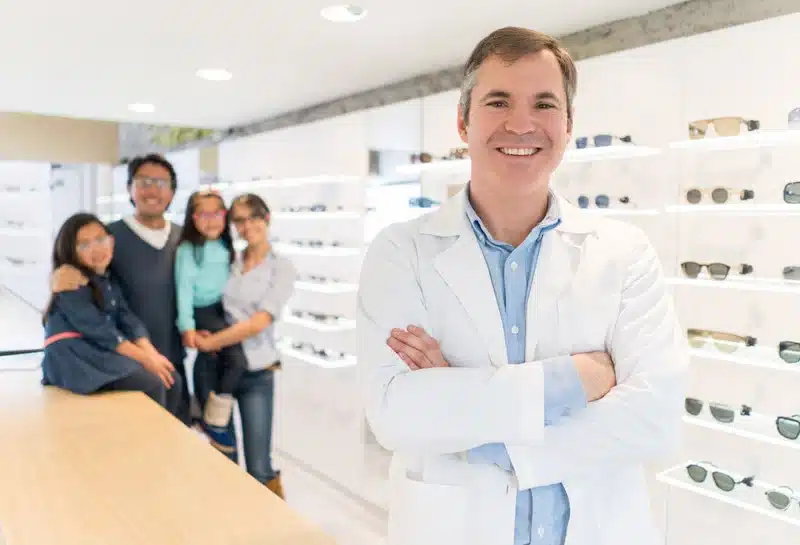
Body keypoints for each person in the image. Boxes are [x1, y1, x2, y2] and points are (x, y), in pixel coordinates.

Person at [356, 27, 688, 545]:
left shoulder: (625, 252)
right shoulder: (401, 252)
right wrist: (572, 381)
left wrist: (469, 418)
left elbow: (655, 418)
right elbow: (396, 414)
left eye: (544, 104)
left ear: (568, 124)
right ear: (463, 121)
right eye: (498, 101)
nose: (521, 123)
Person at [50, 154, 191, 424]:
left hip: (165, 350)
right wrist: (58, 278)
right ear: (129, 188)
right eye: (144, 181)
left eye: (161, 183)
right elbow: (77, 270)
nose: (152, 190)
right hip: (119, 354)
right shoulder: (111, 234)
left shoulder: (184, 238)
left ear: (173, 191)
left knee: (176, 408)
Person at [192, 193, 296, 498]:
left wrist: (211, 341)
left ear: (267, 219)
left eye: (254, 217)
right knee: (223, 459)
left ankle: (271, 522)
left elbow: (258, 323)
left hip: (256, 374)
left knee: (259, 468)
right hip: (218, 369)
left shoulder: (281, 268)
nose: (247, 225)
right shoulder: (228, 261)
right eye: (239, 220)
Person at [41, 213, 176, 405]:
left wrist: (152, 354)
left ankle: (172, 424)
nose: (96, 248)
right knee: (151, 381)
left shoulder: (107, 280)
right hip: (75, 356)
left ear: (111, 241)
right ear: (70, 252)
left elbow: (128, 319)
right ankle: (151, 426)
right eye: (84, 245)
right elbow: (100, 331)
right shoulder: (70, 282)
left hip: (98, 349)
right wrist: (146, 359)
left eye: (100, 239)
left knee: (172, 379)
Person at [175, 189, 246, 454]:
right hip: (202, 311)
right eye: (203, 214)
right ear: (192, 218)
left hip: (221, 310)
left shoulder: (226, 246)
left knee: (213, 359)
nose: (211, 220)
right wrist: (187, 327)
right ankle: (214, 420)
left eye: (216, 213)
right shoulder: (189, 250)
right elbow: (183, 289)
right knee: (235, 360)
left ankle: (203, 411)